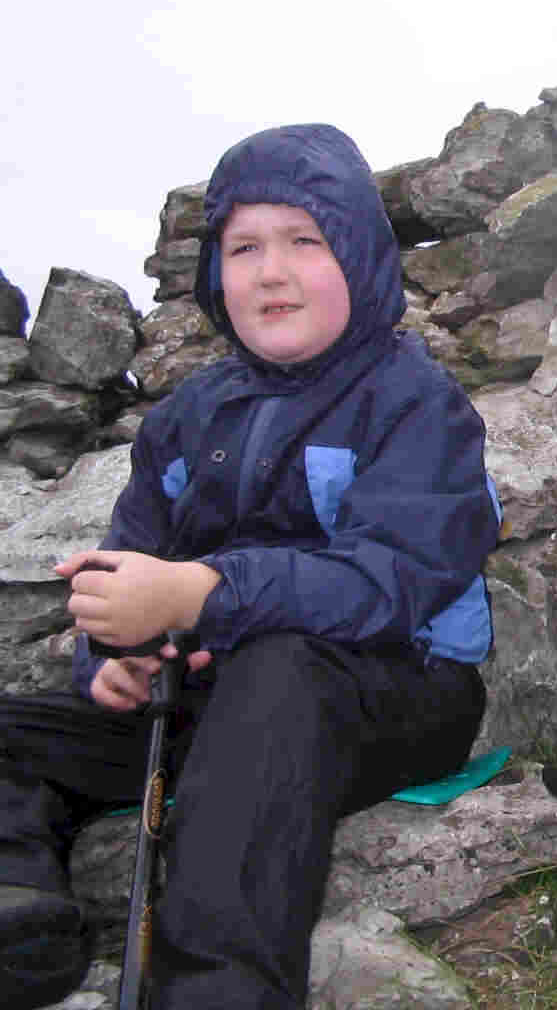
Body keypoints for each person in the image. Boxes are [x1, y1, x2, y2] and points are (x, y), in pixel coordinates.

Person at [0, 123, 501, 1008]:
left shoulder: (417, 403)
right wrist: (111, 658)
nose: (270, 271)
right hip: (204, 698)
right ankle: (23, 924)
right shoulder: (185, 416)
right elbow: (130, 560)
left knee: (280, 671)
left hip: (395, 689)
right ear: (214, 275)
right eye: (243, 247)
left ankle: (216, 988)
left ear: (359, 255)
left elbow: (389, 581)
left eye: (304, 241)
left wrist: (203, 592)